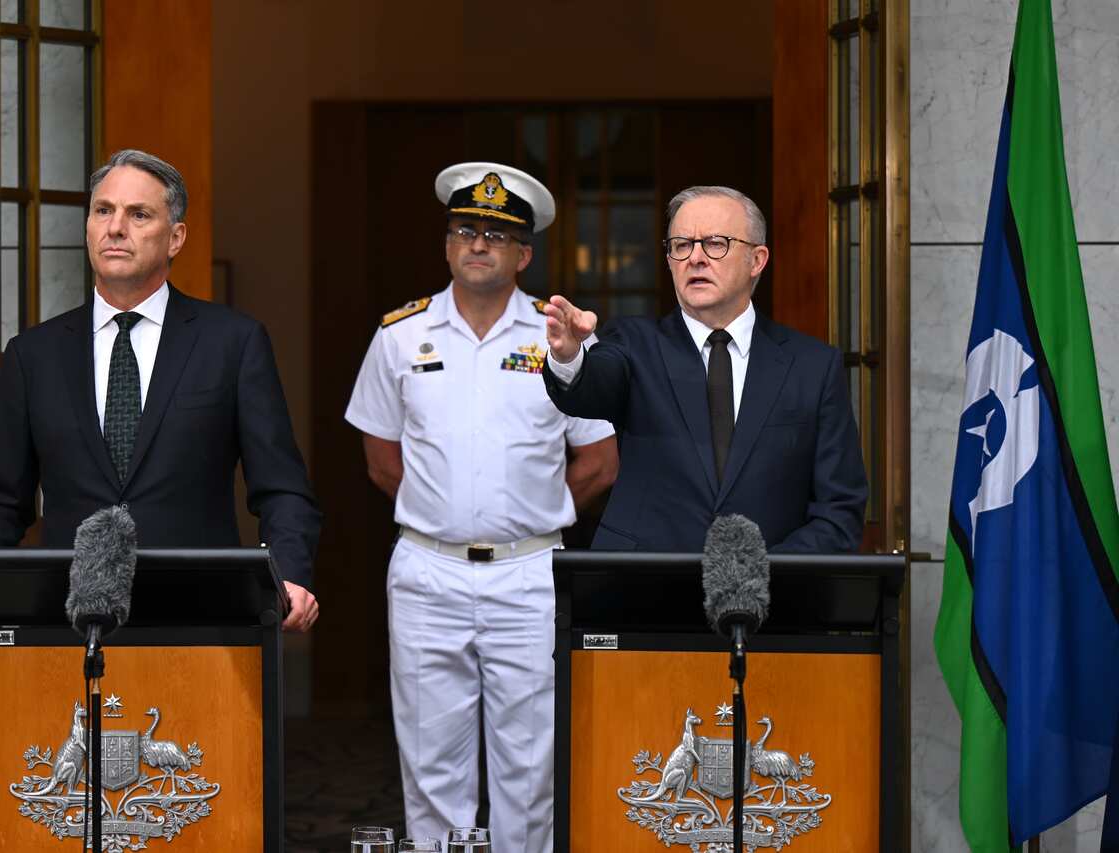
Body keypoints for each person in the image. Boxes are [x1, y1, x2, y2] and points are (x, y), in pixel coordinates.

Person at [345, 162, 618, 852]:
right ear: (446, 245)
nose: (477, 243)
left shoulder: (559, 338)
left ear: (524, 253)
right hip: (427, 571)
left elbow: (599, 460)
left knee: (529, 768)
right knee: (432, 761)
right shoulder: (400, 335)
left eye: (496, 233)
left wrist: (534, 512)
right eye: (465, 230)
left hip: (529, 573)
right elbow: (381, 457)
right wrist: (442, 513)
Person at [0, 149, 321, 631]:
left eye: (139, 214)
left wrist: (291, 575)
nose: (115, 228)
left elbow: (281, 488)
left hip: (201, 623)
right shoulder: (33, 355)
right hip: (67, 624)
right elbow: (0, 500)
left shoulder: (232, 343)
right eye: (103, 210)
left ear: (176, 237)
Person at [542, 185, 866, 553]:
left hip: (769, 599)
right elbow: (593, 387)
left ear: (757, 260)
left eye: (715, 243)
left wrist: (761, 576)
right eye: (681, 245)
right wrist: (570, 357)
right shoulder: (634, 344)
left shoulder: (813, 367)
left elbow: (839, 510)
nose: (695, 258)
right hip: (641, 596)